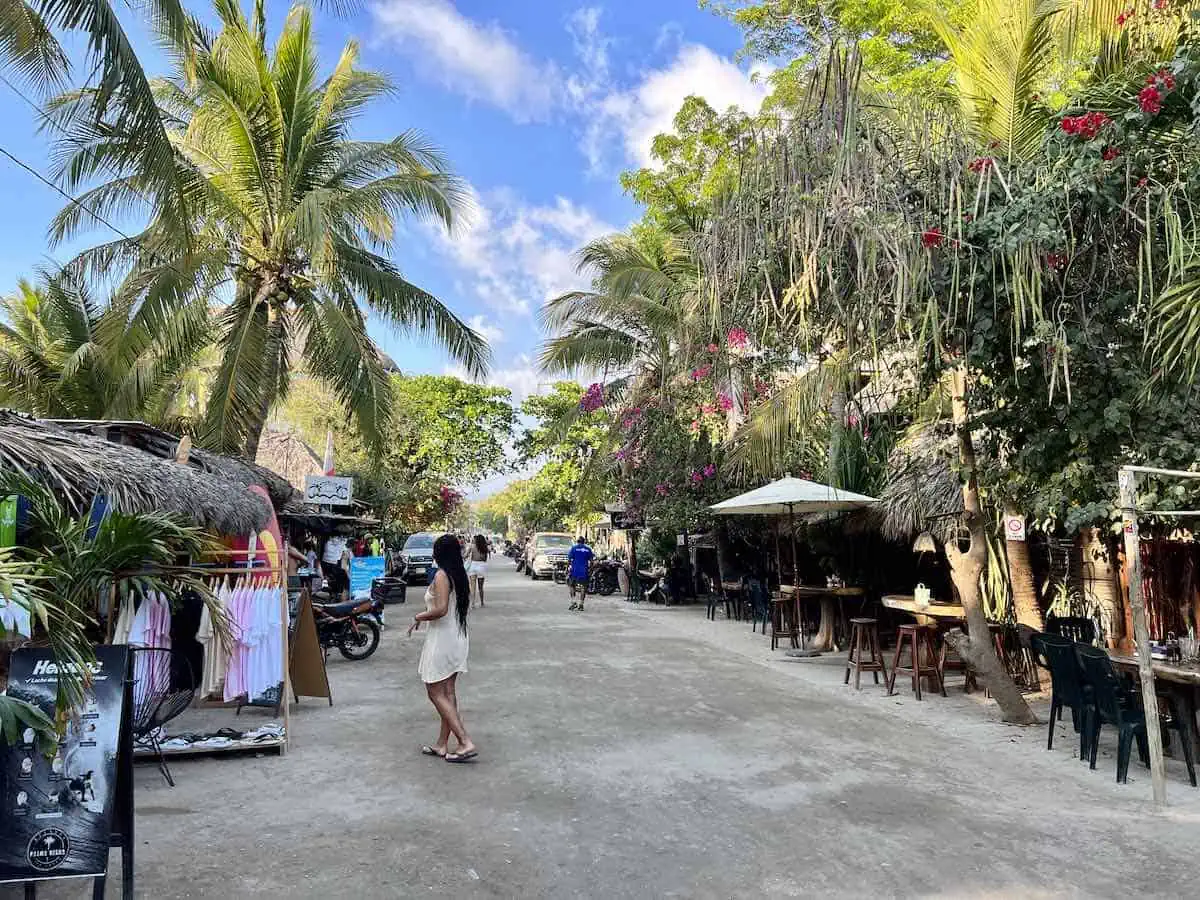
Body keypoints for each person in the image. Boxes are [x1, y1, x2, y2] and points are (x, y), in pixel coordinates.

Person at [408, 534, 476, 763]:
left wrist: (419, 616)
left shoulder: (441, 575)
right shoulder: (458, 574)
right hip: (456, 636)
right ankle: (442, 744)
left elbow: (441, 609)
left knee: (434, 691)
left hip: (443, 638)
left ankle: (464, 741)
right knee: (447, 692)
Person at [566, 535, 595, 612]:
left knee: (572, 586)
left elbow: (569, 560)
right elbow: (592, 561)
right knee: (583, 587)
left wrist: (567, 569)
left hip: (574, 571)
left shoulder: (574, 548)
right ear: (584, 542)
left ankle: (573, 602)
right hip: (584, 571)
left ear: (577, 541)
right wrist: (591, 571)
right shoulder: (588, 549)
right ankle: (581, 604)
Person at [467, 534, 489, 608]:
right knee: (480, 587)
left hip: (473, 565)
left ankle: (472, 604)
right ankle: (482, 602)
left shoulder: (472, 546)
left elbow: (465, 555)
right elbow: (485, 559)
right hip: (481, 566)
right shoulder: (484, 548)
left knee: (472, 587)